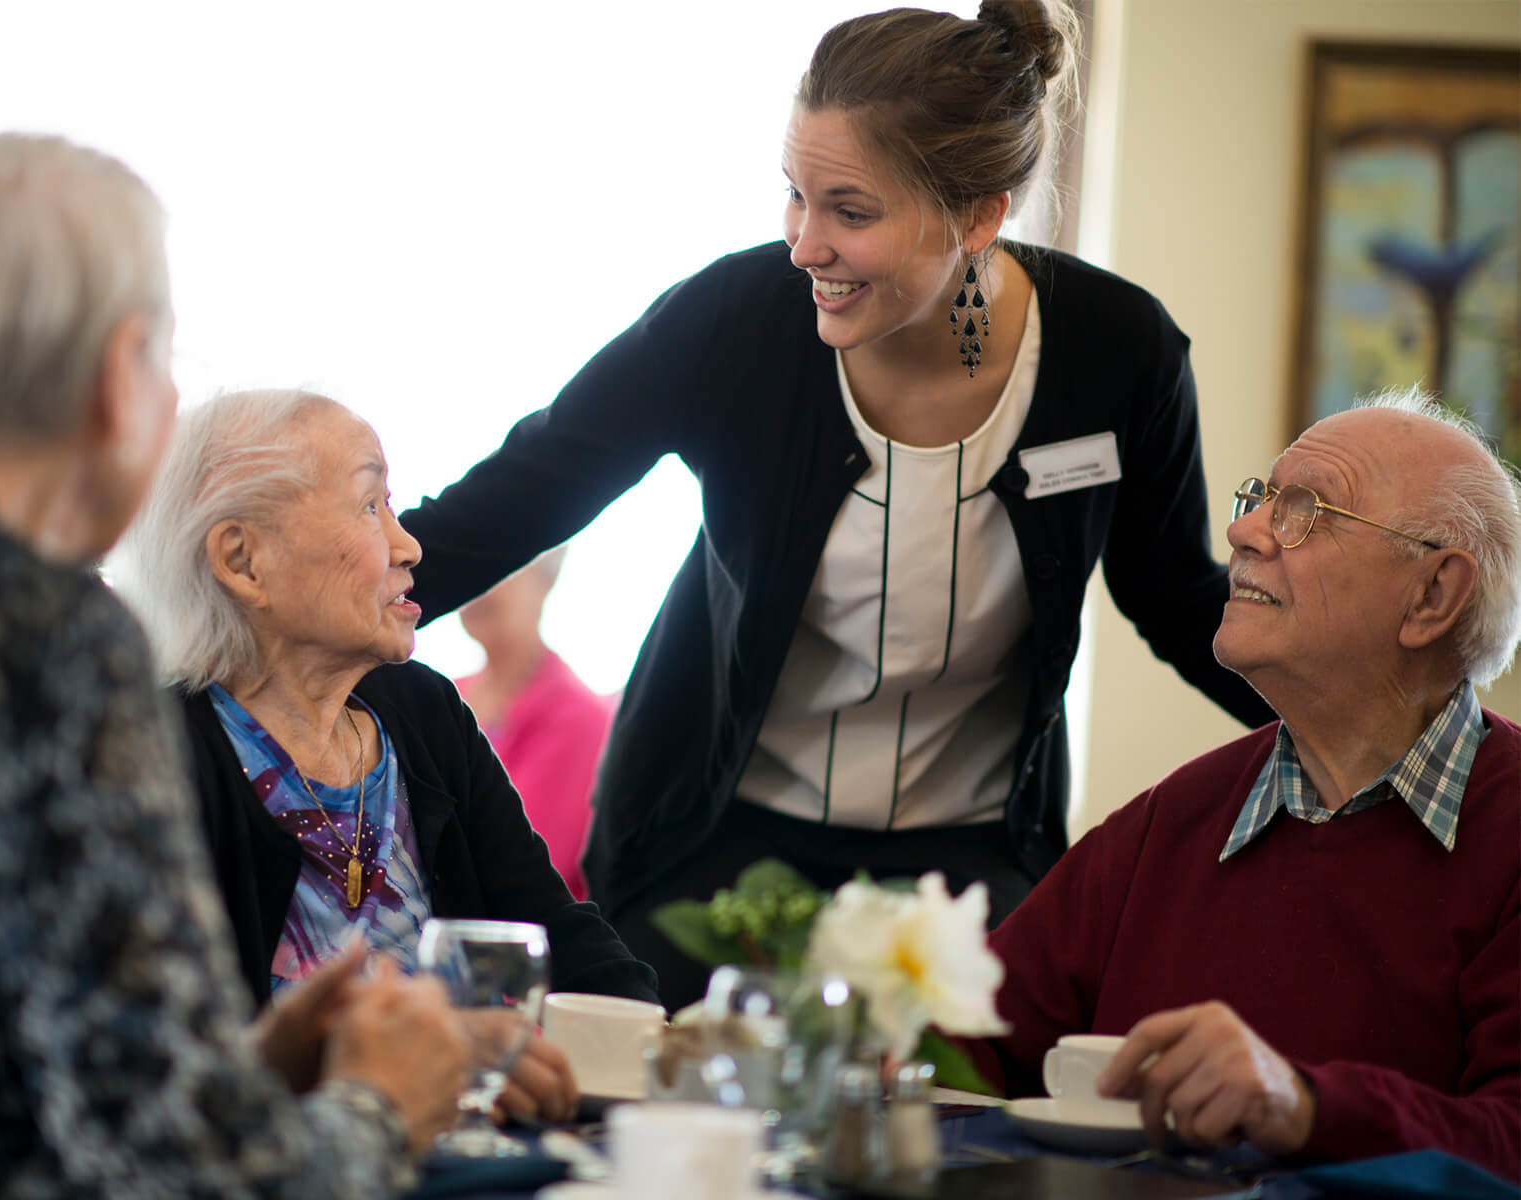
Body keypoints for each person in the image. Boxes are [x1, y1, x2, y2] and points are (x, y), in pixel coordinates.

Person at [399, 2, 1274, 1007]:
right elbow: (524, 492)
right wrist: (321, 602)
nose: (801, 245)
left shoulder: (1116, 356)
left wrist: (1386, 729)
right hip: (715, 839)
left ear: (978, 215)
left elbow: (1174, 599)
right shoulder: (736, 324)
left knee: (960, 1139)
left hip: (964, 867)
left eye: (848, 211)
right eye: (793, 196)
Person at [0, 134, 467, 1197]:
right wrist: (379, 1103)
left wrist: (243, 1073)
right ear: (122, 377)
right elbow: (186, 1175)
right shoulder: (42, 634)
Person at [964, 391, 1520, 1176]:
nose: (1242, 531)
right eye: (1261, 499)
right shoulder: (1175, 819)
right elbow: (967, 1035)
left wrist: (1299, 1106)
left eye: (1306, 510)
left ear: (1432, 595)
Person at [112, 387, 659, 1123]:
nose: (409, 546)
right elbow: (159, 1070)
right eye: (371, 506)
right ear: (243, 560)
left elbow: (562, 937)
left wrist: (656, 1043)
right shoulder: (152, 758)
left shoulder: (423, 711)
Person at [458, 547, 614, 899]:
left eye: (496, 570)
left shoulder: (578, 719)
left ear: (547, 577)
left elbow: (524, 873)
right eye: (468, 569)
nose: (474, 586)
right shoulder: (446, 697)